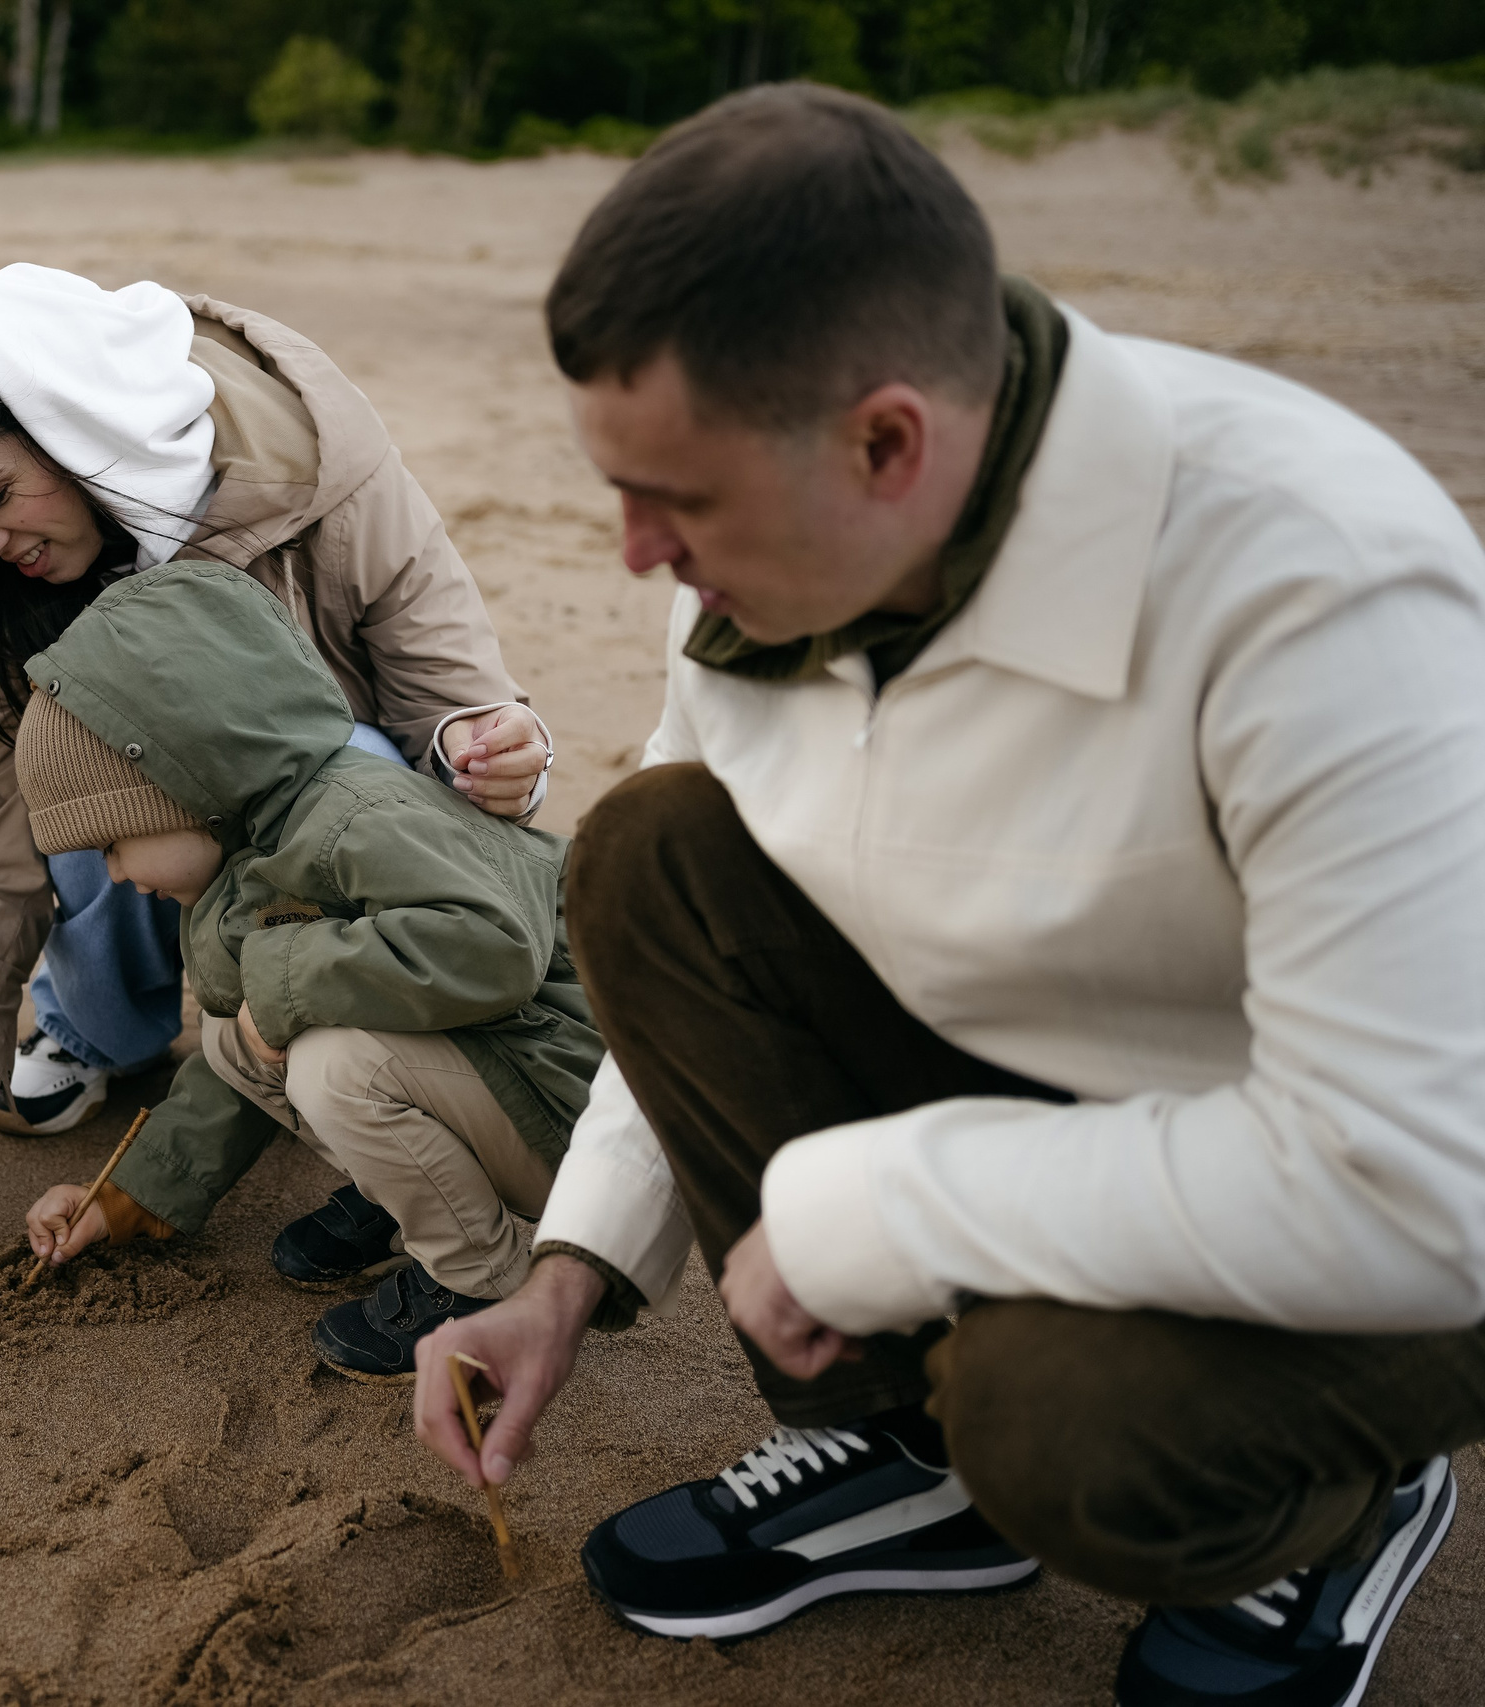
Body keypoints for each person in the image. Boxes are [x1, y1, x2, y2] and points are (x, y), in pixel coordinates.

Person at [411, 84, 1485, 1707]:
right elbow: (686, 932)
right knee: (649, 847)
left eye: (677, 501)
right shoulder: (784, 541)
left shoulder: (1315, 582)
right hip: (1052, 1087)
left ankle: (1333, 1511)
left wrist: (875, 1209)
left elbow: (1414, 1185)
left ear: (888, 439)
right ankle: (908, 1458)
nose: (636, 552)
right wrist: (564, 1278)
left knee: (1061, 1414)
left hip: (1402, 1193)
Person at [0, 263, 556, 1255]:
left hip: (334, 839)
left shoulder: (326, 468)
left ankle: (380, 1086)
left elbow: (456, 701)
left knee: (355, 761)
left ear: (82, 428)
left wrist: (491, 749)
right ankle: (101, 1029)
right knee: (68, 783)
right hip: (217, 885)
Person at [8, 563, 601, 1377]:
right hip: (508, 1082)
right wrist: (129, 1197)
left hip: (576, 1112)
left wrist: (283, 979)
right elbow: (243, 1053)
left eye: (113, 842)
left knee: (332, 1063)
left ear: (180, 785)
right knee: (234, 1036)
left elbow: (491, 947)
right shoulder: (247, 850)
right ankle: (411, 1193)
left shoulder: (354, 814)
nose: (112, 875)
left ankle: (480, 1287)